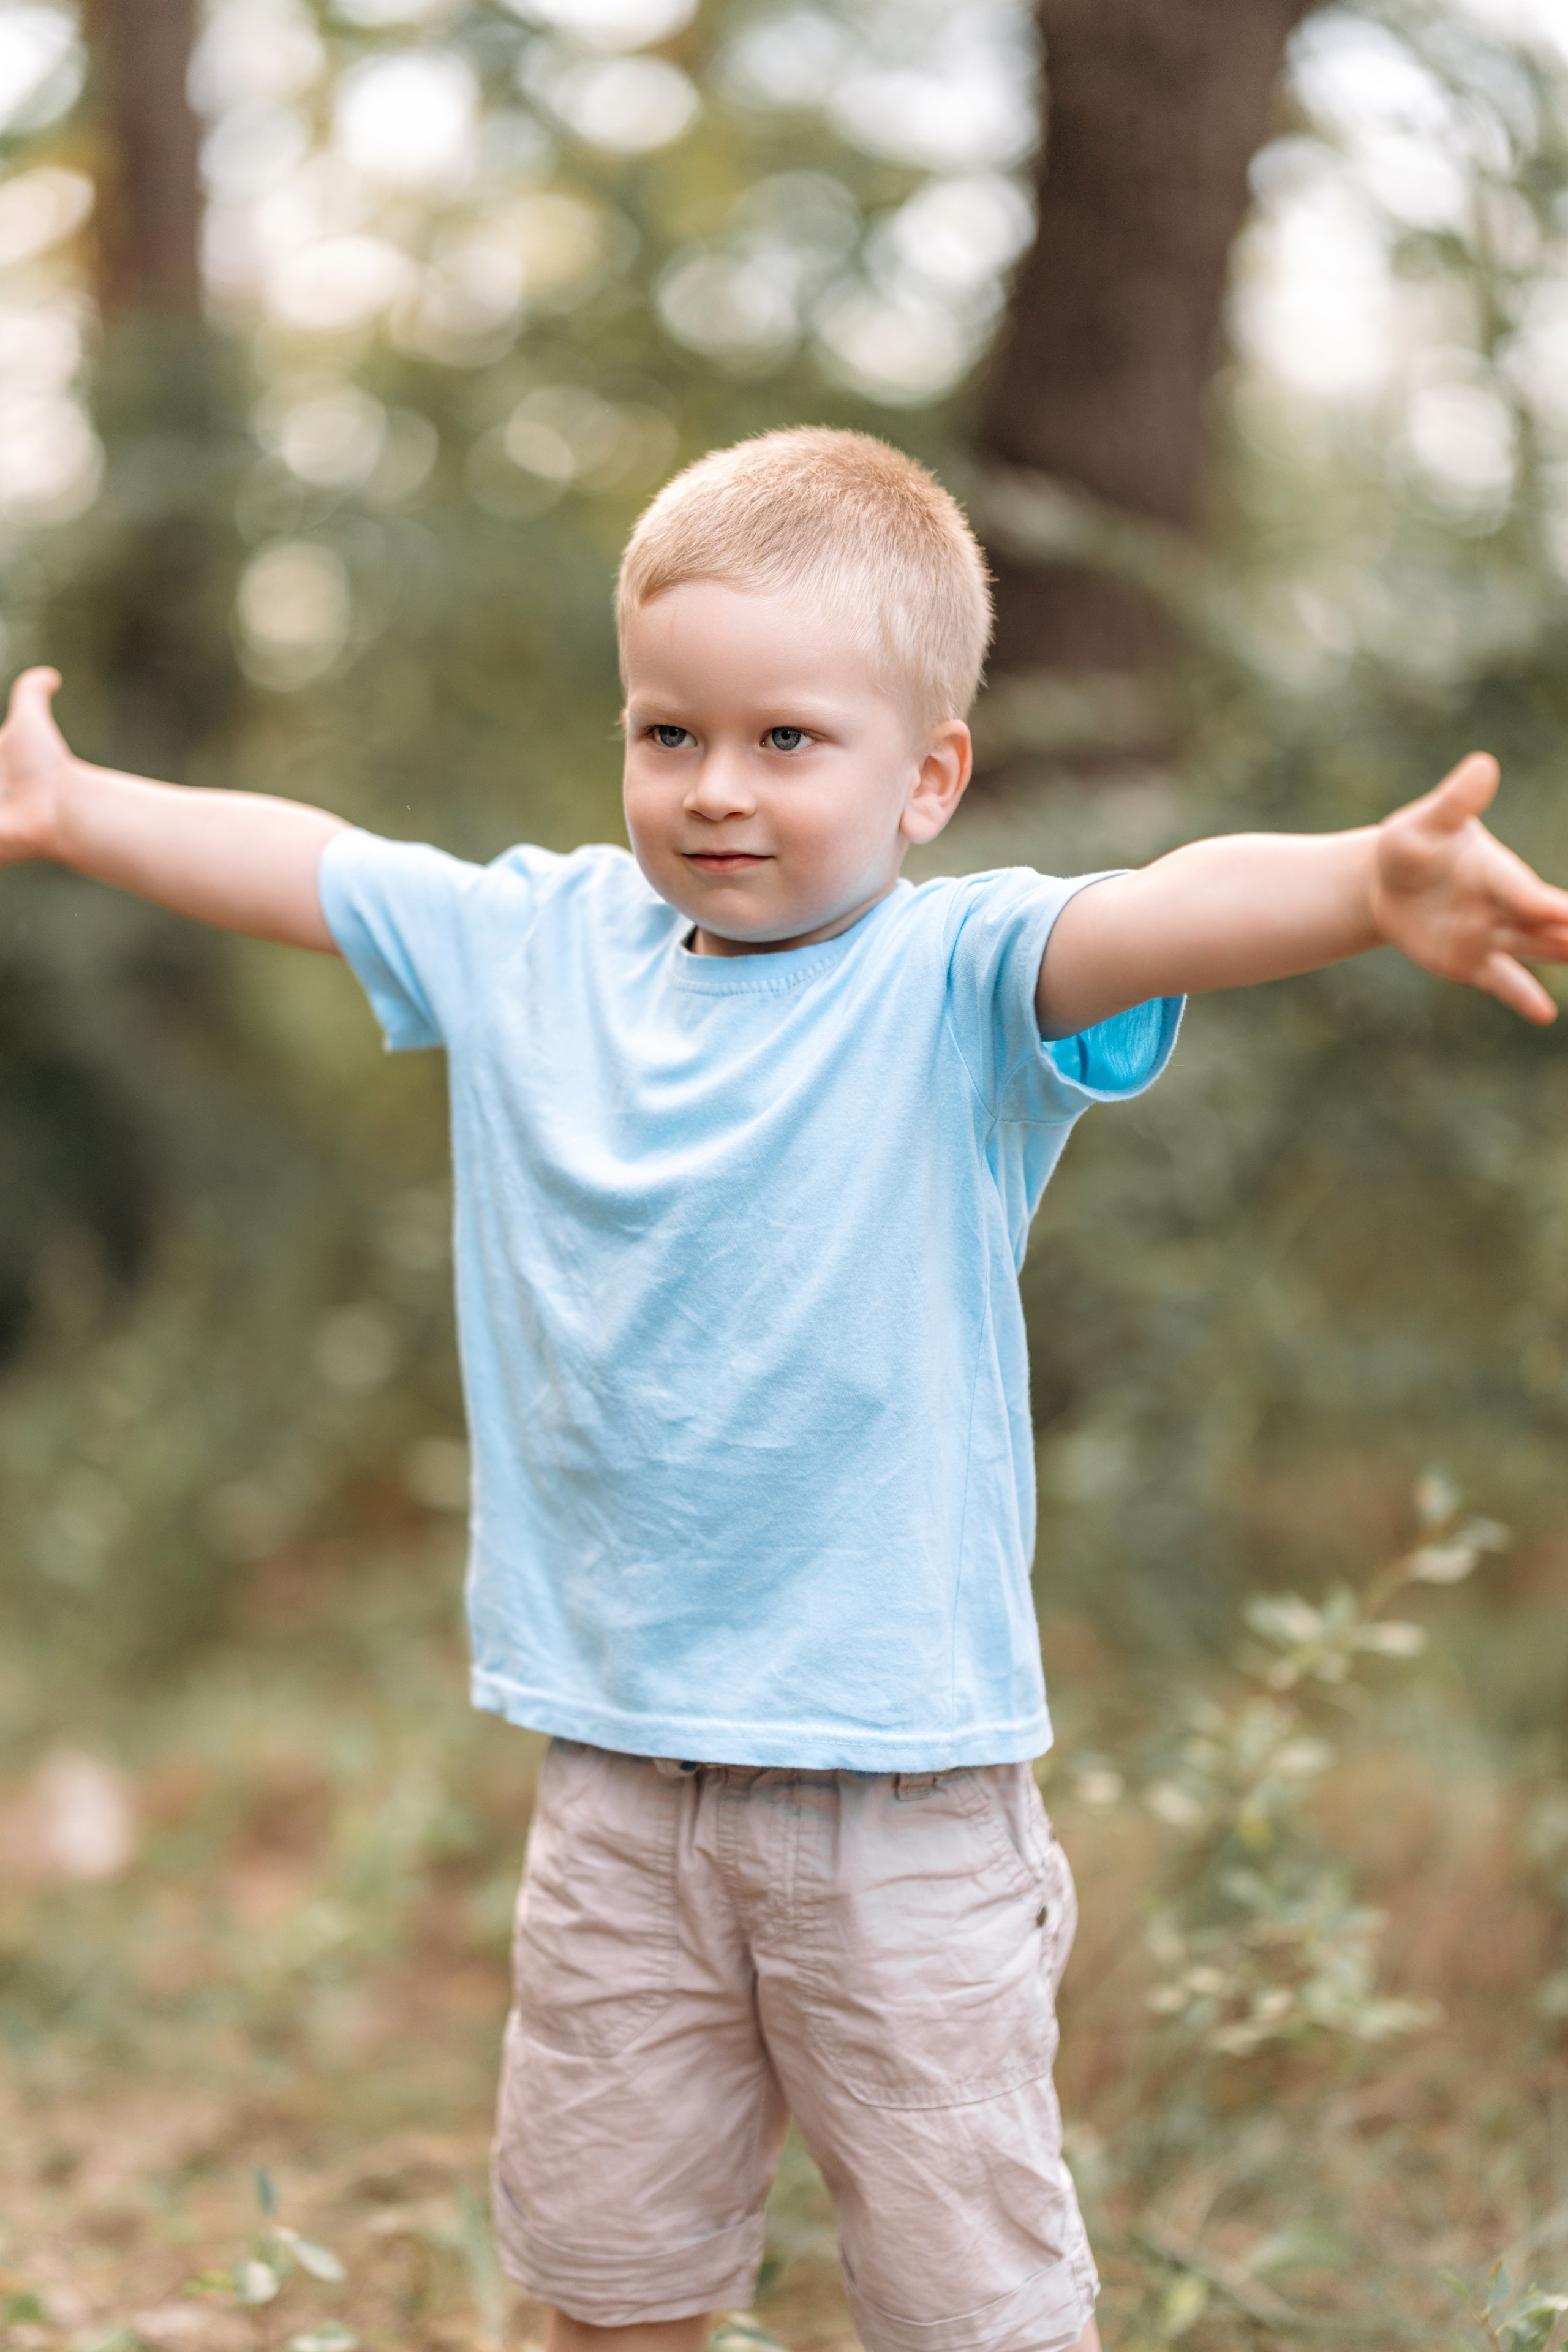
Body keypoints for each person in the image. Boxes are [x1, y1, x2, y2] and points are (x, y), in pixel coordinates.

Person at [4, 427, 1567, 2352]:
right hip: (622, 1780)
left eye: (788, 743)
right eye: (670, 734)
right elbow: (316, 865)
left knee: (967, 2307)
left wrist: (1361, 883)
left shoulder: (953, 979)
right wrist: (75, 808)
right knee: (608, 2279)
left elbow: (1159, 904)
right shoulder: (542, 946)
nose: (716, 790)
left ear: (930, 778)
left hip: (899, 1802)